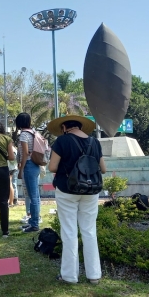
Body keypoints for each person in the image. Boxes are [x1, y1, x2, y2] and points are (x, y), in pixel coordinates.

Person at [47, 115, 106, 284]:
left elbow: (52, 167)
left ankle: (69, 276)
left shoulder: (62, 141)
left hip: (67, 189)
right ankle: (94, 275)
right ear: (80, 127)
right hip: (91, 191)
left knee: (69, 232)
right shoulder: (95, 142)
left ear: (65, 127)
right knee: (89, 231)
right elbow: (103, 169)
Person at [15, 112, 49, 233]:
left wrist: (21, 169)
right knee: (35, 196)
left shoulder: (24, 135)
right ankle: (32, 221)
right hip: (35, 165)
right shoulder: (34, 132)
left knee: (32, 196)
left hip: (29, 165)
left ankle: (34, 224)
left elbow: (24, 153)